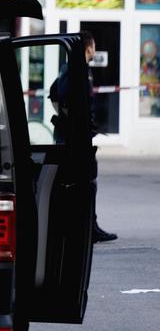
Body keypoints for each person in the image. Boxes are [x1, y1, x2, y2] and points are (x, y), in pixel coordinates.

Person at [49, 31, 117, 243]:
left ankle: (87, 226)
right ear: (89, 49)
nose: (94, 50)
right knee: (84, 181)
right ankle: (87, 228)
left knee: (86, 181)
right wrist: (71, 119)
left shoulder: (76, 68)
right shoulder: (75, 70)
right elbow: (58, 93)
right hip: (74, 138)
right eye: (94, 47)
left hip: (77, 136)